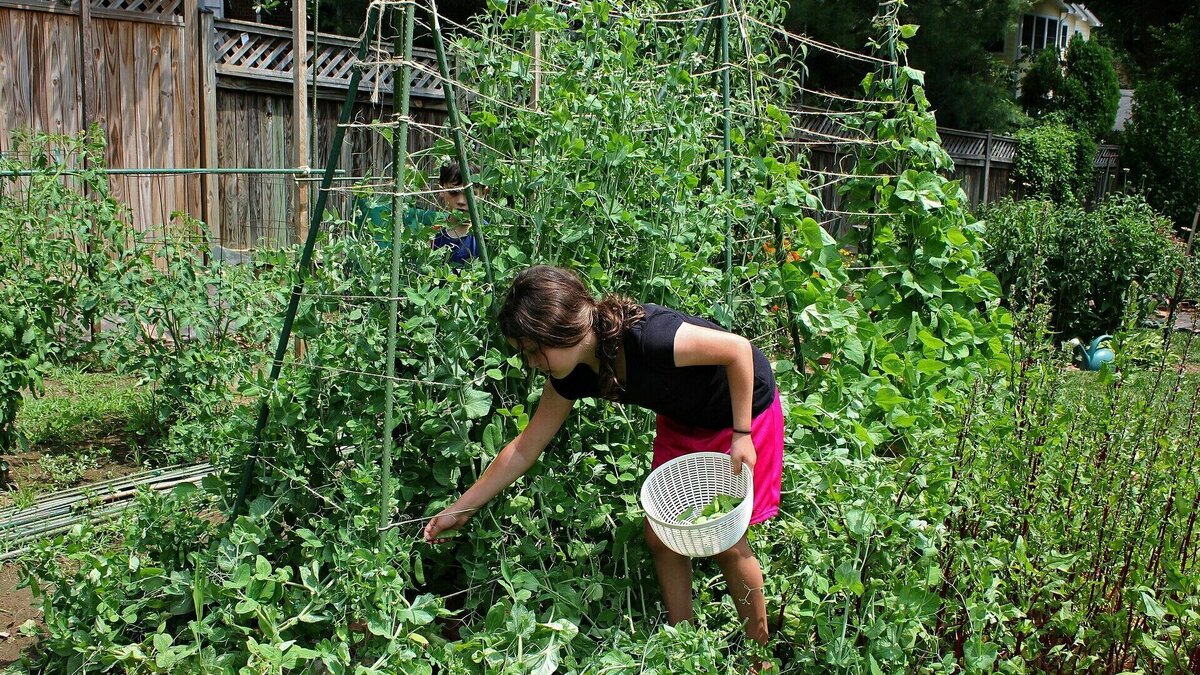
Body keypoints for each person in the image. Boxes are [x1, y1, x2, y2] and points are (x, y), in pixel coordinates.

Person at [423, 265, 784, 653]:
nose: (530, 363)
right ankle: (684, 646)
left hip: (742, 411)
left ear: (560, 328)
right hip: (683, 420)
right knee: (661, 536)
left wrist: (742, 434)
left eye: (532, 350)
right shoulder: (573, 373)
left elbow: (738, 351)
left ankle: (758, 654)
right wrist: (462, 508)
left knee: (727, 541)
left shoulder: (650, 337)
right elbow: (526, 447)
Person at [429, 161, 484, 266]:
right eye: (453, 192)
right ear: (442, 190)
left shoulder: (488, 236)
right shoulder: (433, 235)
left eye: (470, 194)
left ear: (483, 194)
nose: (461, 201)